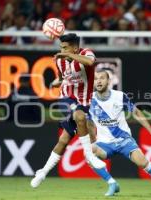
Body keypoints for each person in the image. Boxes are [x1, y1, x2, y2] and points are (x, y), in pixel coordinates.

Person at [89, 69, 151, 197]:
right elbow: (88, 122)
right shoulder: (89, 100)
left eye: (102, 78)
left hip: (123, 140)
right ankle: (112, 183)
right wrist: (92, 139)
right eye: (95, 79)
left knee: (143, 162)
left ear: (108, 81)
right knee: (89, 152)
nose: (98, 81)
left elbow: (136, 112)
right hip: (105, 143)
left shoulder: (119, 96)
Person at [30, 33, 106, 188]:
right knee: (80, 116)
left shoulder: (86, 53)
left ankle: (43, 172)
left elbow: (90, 62)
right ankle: (89, 156)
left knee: (64, 140)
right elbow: (62, 77)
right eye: (61, 47)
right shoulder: (59, 60)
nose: (62, 50)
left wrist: (70, 55)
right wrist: (57, 82)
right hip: (66, 98)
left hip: (85, 100)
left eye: (65, 47)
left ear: (75, 48)